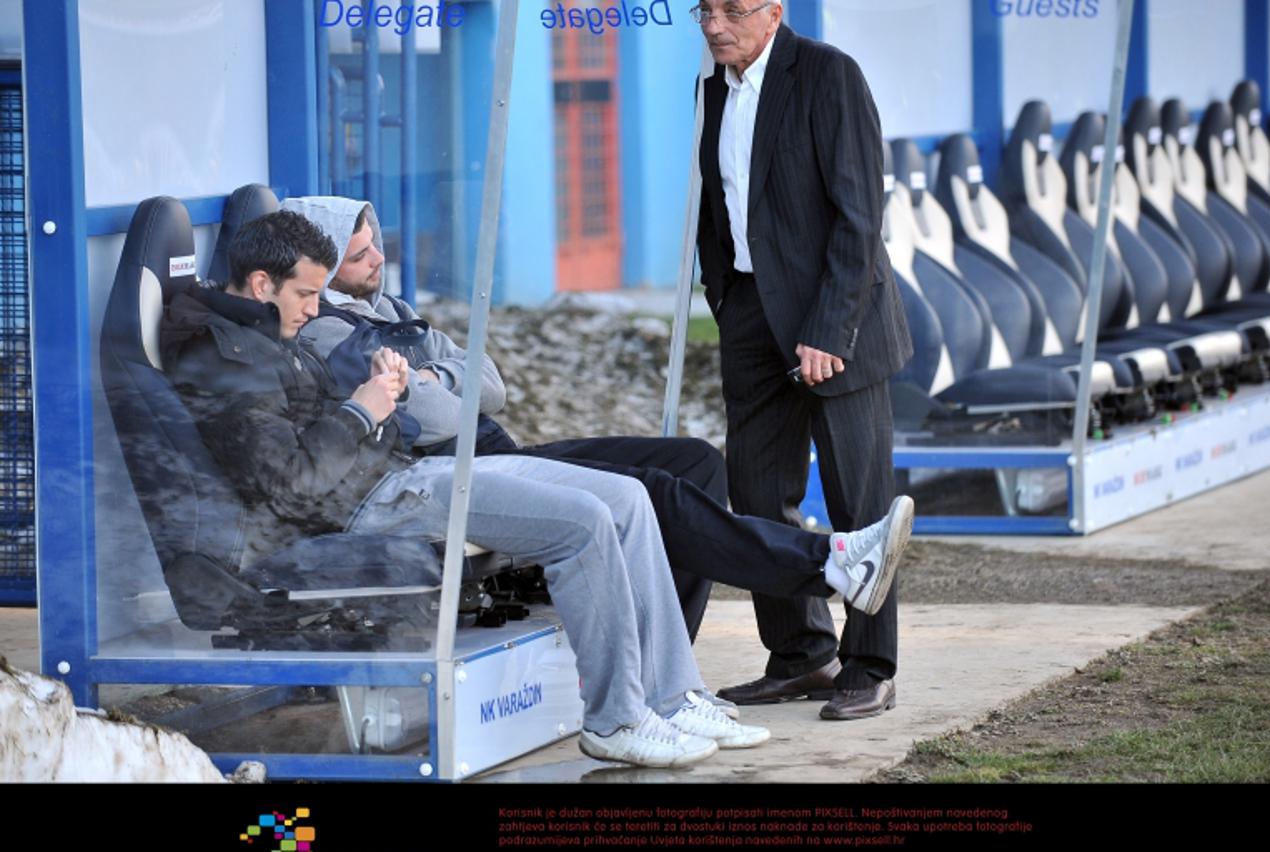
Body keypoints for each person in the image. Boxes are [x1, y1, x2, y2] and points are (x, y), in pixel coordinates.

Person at [159, 211, 892, 767]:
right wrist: (366, 410)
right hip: (368, 507)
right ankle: (613, 721)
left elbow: (464, 400)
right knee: (580, 523)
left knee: (630, 499)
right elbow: (291, 487)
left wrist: (376, 408)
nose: (316, 308)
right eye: (307, 294)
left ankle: (672, 694)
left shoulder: (272, 338)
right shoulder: (230, 359)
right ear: (260, 284)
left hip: (400, 476)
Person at [277, 196, 913, 669]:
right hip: (462, 480)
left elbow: (490, 386)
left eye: (376, 243)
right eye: (359, 256)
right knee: (651, 495)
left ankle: (661, 660)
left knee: (696, 463)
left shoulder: (393, 312)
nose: (379, 259)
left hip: (503, 460)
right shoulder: (327, 331)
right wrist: (439, 382)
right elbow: (437, 417)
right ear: (323, 272)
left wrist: (426, 376)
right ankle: (826, 566)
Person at [693, 1, 914, 721]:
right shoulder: (713, 86)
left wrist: (830, 329)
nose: (714, 23)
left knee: (861, 503)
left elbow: (859, 215)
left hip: (833, 315)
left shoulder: (828, 76)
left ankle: (870, 663)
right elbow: (721, 208)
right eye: (704, 9)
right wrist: (726, 298)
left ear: (774, 12)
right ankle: (801, 653)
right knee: (756, 491)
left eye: (731, 9)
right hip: (753, 316)